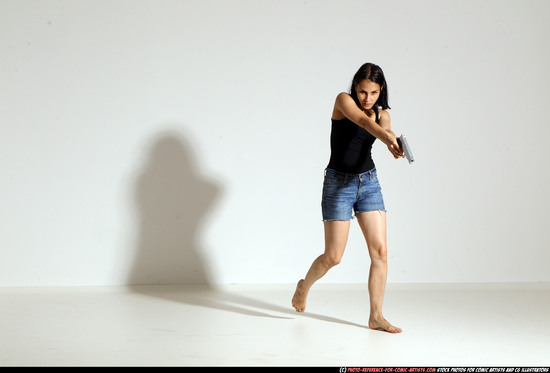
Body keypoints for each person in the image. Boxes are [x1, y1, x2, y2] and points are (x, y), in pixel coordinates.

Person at [291, 63, 403, 333]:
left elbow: (383, 125)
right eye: (363, 92)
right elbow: (364, 123)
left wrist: (392, 141)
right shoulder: (343, 101)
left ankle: (376, 315)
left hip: (368, 183)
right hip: (337, 184)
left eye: (373, 93)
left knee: (381, 253)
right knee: (333, 257)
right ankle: (304, 286)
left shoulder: (381, 113)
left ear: (381, 91)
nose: (367, 98)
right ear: (355, 87)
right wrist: (386, 137)